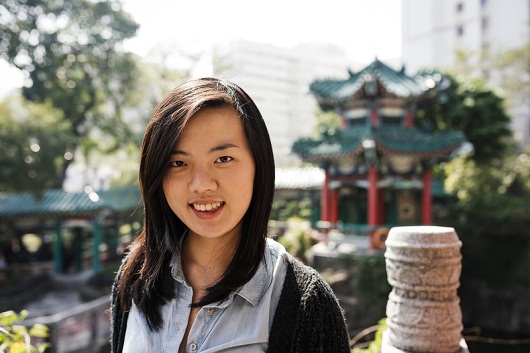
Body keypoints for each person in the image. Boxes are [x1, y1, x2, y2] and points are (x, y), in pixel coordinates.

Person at [110, 77, 350, 353]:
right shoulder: (136, 276)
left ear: (258, 166)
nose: (201, 185)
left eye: (223, 159)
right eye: (178, 163)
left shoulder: (306, 304)